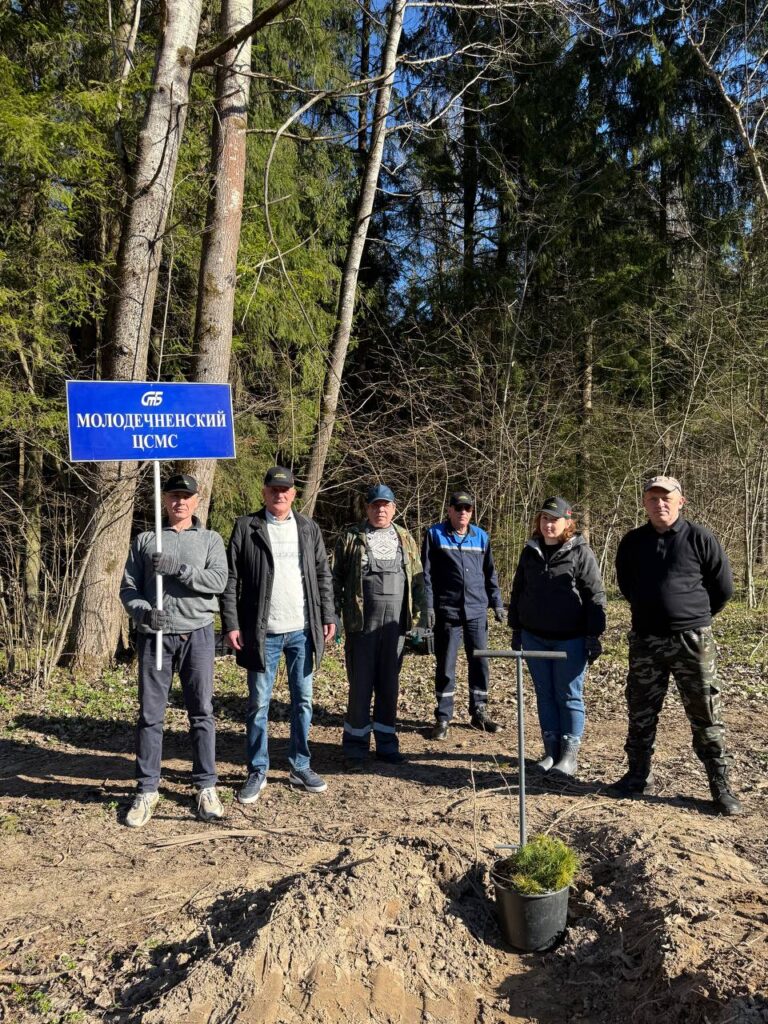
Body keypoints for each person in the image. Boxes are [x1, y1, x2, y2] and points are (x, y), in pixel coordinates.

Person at [611, 476, 742, 815]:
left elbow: (723, 588)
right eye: (653, 499)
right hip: (646, 641)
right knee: (640, 710)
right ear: (645, 503)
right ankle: (637, 776)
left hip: (692, 641)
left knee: (705, 712)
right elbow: (627, 585)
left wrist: (692, 615)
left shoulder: (700, 538)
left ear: (680, 501)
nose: (660, 504)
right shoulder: (632, 542)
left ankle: (720, 787)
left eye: (666, 498)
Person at [220, 466, 336, 802]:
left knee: (303, 701)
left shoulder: (308, 528)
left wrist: (328, 615)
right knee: (259, 704)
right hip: (262, 634)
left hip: (302, 630)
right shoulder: (247, 527)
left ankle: (300, 765)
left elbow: (322, 574)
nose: (279, 494)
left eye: (285, 490)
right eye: (273, 489)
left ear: (294, 494)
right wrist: (231, 623)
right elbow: (231, 579)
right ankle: (257, 770)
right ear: (264, 492)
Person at [120, 473, 228, 828]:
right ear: (164, 500)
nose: (180, 501)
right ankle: (147, 789)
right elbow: (128, 588)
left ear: (197, 500)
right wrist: (144, 613)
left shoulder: (210, 539)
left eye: (186, 496)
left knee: (202, 712)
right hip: (155, 637)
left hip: (197, 635)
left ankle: (206, 786)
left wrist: (179, 569)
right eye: (173, 496)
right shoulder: (146, 539)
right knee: (151, 715)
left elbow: (218, 581)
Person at [507, 496, 606, 777]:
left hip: (570, 639)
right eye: (544, 518)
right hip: (534, 636)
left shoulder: (580, 552)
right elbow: (518, 589)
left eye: (554, 519)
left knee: (569, 695)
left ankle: (569, 756)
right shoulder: (530, 551)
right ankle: (551, 751)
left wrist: (593, 634)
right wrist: (516, 627)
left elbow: (595, 594)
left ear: (567, 522)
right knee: (545, 694)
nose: (548, 524)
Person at [332, 484, 427, 767]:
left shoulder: (405, 538)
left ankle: (387, 744)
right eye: (375, 505)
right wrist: (333, 616)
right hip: (361, 625)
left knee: (389, 685)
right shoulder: (351, 538)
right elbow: (335, 579)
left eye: (385, 505)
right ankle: (355, 747)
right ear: (367, 508)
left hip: (395, 626)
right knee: (360, 687)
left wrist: (421, 620)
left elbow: (418, 581)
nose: (380, 510)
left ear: (394, 509)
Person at [422, 488, 505, 739]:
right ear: (449, 510)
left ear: (472, 512)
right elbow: (426, 575)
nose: (463, 512)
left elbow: (490, 574)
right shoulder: (435, 535)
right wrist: (428, 606)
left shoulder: (481, 537)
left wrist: (497, 603)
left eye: (467, 508)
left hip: (477, 611)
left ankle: (479, 712)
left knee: (480, 662)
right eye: (458, 508)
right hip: (448, 611)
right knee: (446, 664)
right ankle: (443, 717)